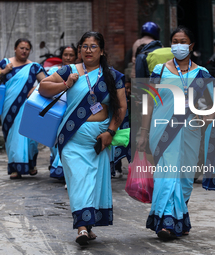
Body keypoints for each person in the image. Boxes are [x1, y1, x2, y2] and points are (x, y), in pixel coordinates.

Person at [39, 31, 127, 245]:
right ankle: (81, 227)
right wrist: (65, 84)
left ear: (102, 50)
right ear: (80, 50)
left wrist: (111, 132)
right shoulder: (68, 71)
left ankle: (87, 225)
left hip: (99, 140)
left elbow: (122, 106)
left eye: (93, 46)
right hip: (72, 139)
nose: (88, 50)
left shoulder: (113, 76)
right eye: (84, 46)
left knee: (94, 183)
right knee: (78, 182)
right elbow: (43, 88)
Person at [137, 26, 215, 240]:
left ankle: (179, 219)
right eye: (175, 41)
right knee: (167, 176)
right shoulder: (159, 71)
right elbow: (149, 103)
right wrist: (144, 132)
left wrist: (205, 116)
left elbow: (211, 107)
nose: (178, 45)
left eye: (183, 41)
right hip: (162, 131)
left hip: (190, 131)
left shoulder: (202, 74)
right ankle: (166, 222)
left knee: (183, 179)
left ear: (191, 46)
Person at [0, 38, 46, 179]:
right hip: (9, 107)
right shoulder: (6, 63)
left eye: (27, 49)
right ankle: (15, 167)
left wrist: (36, 88)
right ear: (15, 48)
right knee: (13, 135)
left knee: (30, 137)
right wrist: (4, 71)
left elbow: (46, 81)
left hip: (28, 106)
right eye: (21, 48)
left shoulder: (34, 67)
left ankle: (31, 165)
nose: (24, 51)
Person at [47, 45, 77, 181]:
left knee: (68, 138)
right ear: (62, 56)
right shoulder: (55, 71)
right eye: (66, 54)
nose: (68, 58)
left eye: (71, 55)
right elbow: (47, 86)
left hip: (71, 109)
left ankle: (64, 170)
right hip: (56, 108)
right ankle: (56, 163)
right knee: (54, 138)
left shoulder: (79, 71)